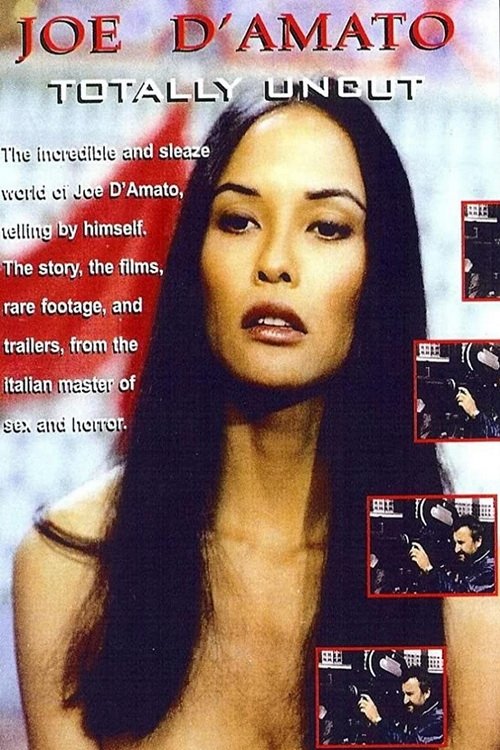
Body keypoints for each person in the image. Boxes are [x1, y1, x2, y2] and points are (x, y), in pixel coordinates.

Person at [14, 79, 448, 749]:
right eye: (239, 221)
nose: (274, 263)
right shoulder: (69, 565)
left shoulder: (456, 577)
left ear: (379, 274)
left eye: (327, 227)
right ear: (196, 258)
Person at [410, 515, 495, 593]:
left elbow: (461, 593)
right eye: (455, 543)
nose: (456, 550)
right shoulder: (468, 562)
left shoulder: (490, 569)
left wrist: (428, 568)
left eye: (461, 543)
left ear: (478, 541)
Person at [358, 667, 444, 745]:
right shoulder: (418, 714)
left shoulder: (438, 719)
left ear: (426, 693)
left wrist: (377, 720)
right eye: (404, 694)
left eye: (410, 694)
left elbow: (411, 744)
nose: (405, 701)